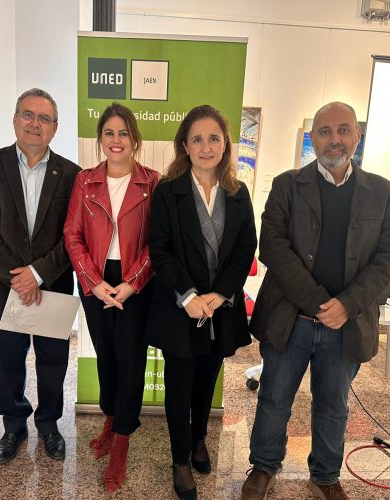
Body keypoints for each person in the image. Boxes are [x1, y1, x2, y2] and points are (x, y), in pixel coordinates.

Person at [242, 102, 390, 500]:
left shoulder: (381, 193)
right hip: (290, 318)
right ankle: (263, 466)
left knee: (333, 405)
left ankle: (325, 475)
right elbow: (273, 247)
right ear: (313, 138)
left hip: (346, 325)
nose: (335, 139)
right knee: (275, 398)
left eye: (343, 130)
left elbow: (388, 257)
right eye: (326, 131)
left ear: (357, 136)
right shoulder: (287, 185)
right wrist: (318, 302)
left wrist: (348, 304)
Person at [146, 105, 257, 500]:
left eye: (214, 138)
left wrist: (221, 293)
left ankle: (198, 440)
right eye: (197, 139)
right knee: (178, 386)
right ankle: (180, 460)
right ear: (185, 146)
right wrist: (189, 296)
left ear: (226, 143)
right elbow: (159, 251)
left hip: (219, 309)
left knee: (207, 380)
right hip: (182, 308)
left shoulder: (238, 192)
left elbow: (246, 248)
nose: (206, 146)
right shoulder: (167, 191)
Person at [0, 89, 81, 465]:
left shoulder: (72, 175)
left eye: (44, 118)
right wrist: (16, 276)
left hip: (52, 286)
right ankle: (14, 424)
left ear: (55, 128)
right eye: (28, 115)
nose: (35, 123)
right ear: (15, 119)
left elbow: (74, 235)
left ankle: (49, 424)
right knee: (8, 361)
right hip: (5, 288)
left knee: (53, 361)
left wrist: (37, 273)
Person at [64, 102, 159, 492]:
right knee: (105, 353)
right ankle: (109, 419)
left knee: (131, 358)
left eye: (123, 133)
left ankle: (121, 442)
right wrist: (94, 281)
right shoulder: (85, 181)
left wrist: (133, 281)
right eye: (109, 133)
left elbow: (160, 242)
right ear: (100, 139)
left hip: (136, 282)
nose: (116, 140)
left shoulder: (153, 182)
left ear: (134, 138)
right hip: (97, 280)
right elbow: (72, 235)